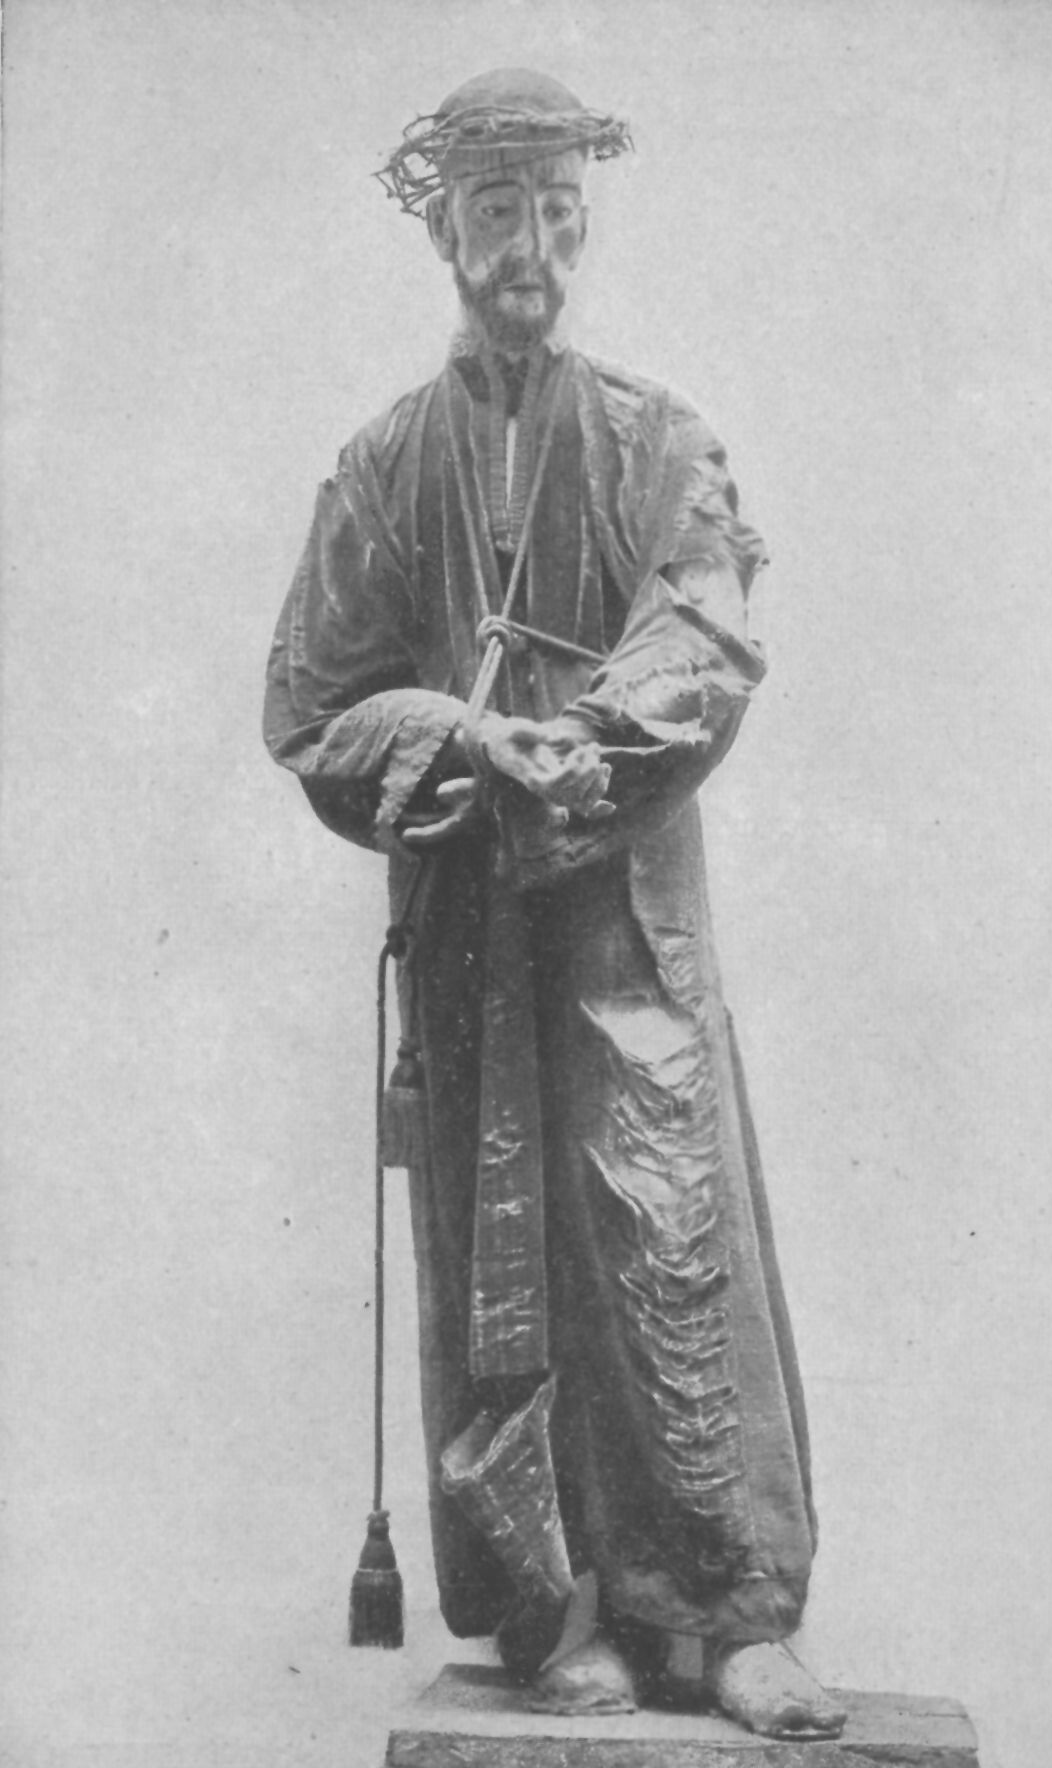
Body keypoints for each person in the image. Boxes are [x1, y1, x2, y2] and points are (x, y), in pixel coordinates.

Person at [263, 67, 845, 1738]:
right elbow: (311, 700)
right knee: (495, 1252)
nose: (526, 243)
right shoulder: (384, 463)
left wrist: (572, 747)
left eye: (553, 210)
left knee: (667, 1226)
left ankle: (728, 1616)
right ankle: (554, 1616)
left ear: (583, 227)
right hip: (469, 922)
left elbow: (705, 626)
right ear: (446, 231)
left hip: (621, 910)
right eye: (494, 209)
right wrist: (457, 733)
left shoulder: (659, 440)